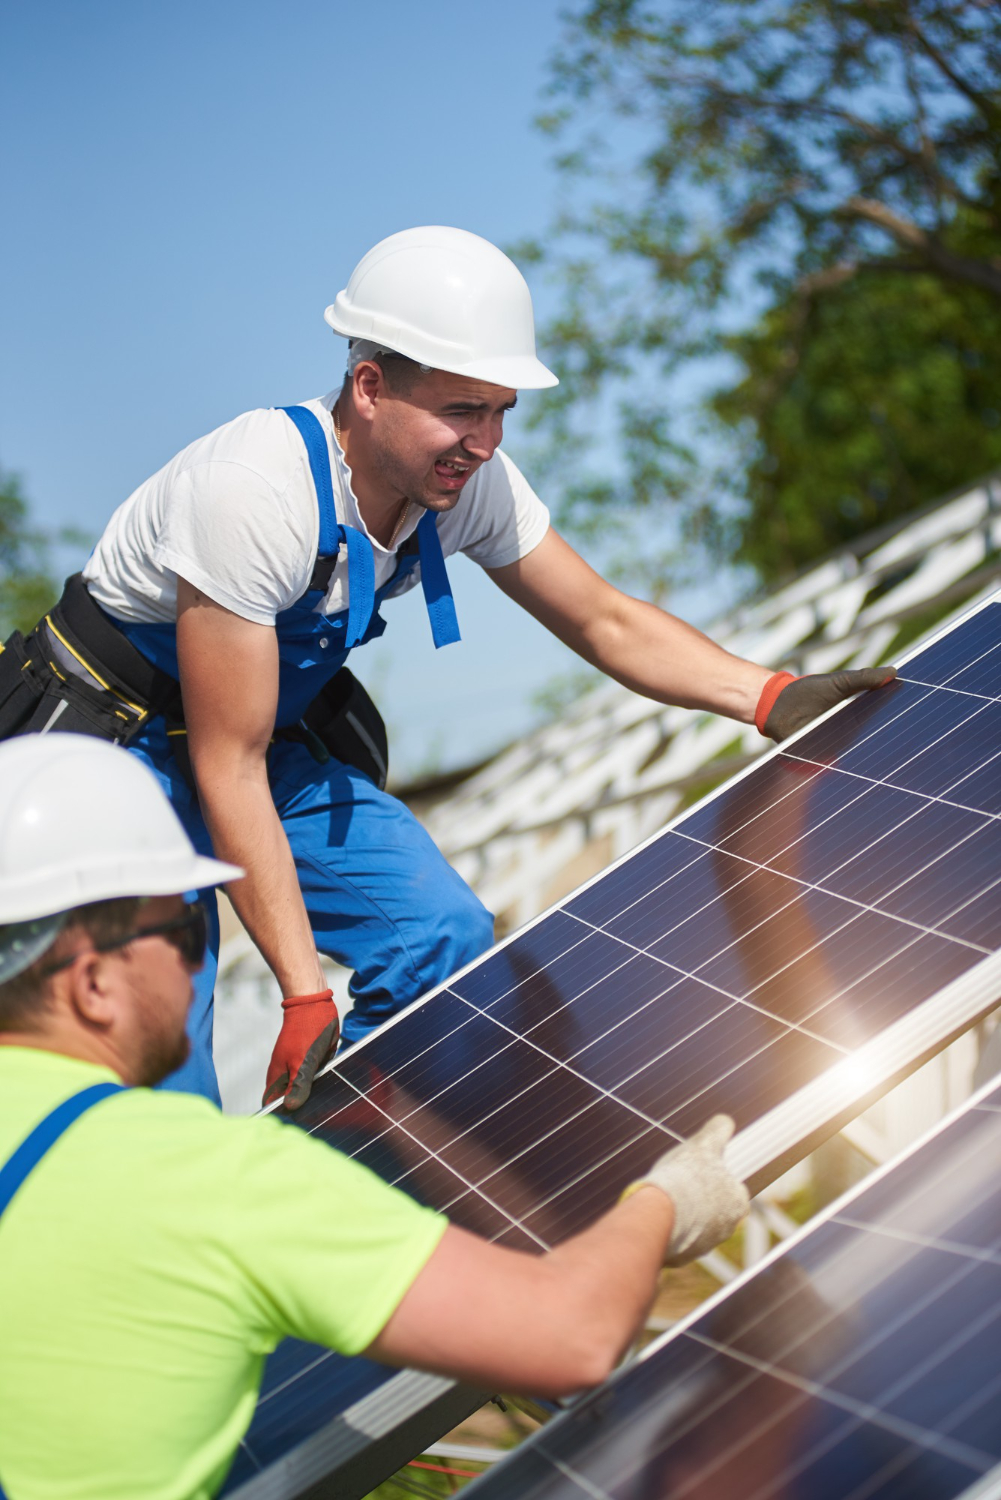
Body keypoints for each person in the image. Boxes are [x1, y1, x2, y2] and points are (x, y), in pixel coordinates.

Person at [0, 226, 894, 1108]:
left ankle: (346, 1174)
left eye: (503, 408)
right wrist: (304, 992)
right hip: (108, 753)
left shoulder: (465, 489)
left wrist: (770, 695)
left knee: (440, 937)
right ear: (369, 386)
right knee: (154, 1046)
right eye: (463, 410)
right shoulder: (257, 490)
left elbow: (606, 621)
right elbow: (222, 766)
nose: (487, 440)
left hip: (250, 742)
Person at [0, 734, 749, 1500]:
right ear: (91, 983)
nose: (199, 964)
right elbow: (573, 1336)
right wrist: (663, 1200)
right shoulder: (209, 1177)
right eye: (185, 930)